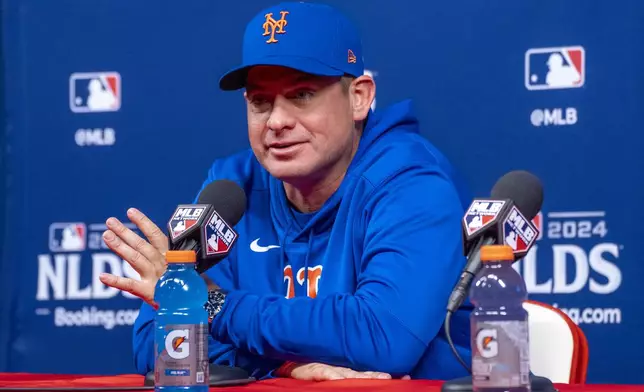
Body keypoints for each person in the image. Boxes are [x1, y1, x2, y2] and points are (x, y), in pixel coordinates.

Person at [99, 1, 473, 382]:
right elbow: (157, 343)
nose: (277, 121)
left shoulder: (411, 182)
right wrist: (286, 367)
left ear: (358, 97)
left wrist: (211, 307)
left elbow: (383, 335)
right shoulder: (230, 186)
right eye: (261, 101)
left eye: (302, 95)